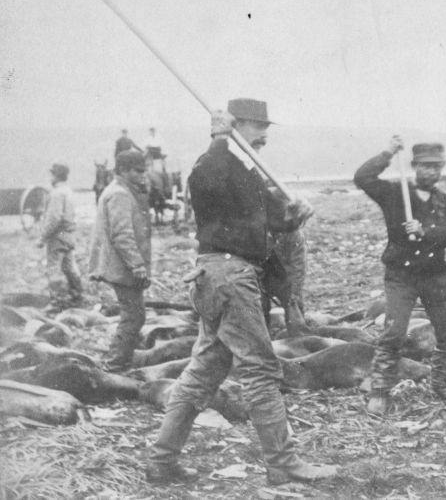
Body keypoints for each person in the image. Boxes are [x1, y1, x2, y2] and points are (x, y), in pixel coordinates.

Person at [146, 98, 337, 485]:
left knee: (205, 370)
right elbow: (204, 186)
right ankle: (282, 463)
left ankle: (162, 461)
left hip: (227, 277)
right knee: (262, 369)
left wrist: (293, 215)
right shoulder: (212, 163)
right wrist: (217, 139)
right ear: (234, 126)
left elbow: (267, 222)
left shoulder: (248, 171)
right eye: (255, 125)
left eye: (265, 125)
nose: (264, 133)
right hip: (229, 277)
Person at [354, 136, 446, 415]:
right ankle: (379, 391)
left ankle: (442, 386)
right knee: (394, 333)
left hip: (434, 277)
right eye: (426, 166)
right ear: (414, 166)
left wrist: (425, 230)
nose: (432, 172)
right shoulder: (394, 193)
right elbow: (362, 177)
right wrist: (388, 151)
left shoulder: (445, 202)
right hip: (400, 277)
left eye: (437, 166)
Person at [89, 150, 151, 372]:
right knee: (134, 316)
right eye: (138, 171)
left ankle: (121, 360)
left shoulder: (120, 191)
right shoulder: (120, 194)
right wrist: (137, 264)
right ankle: (114, 364)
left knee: (134, 315)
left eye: (144, 170)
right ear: (123, 170)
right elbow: (121, 234)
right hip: (122, 266)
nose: (143, 175)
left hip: (120, 265)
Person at [39, 162, 84, 308]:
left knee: (53, 267)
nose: (49, 177)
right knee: (69, 265)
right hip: (69, 234)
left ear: (56, 175)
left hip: (58, 236)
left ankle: (56, 300)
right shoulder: (68, 191)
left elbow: (54, 219)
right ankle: (77, 293)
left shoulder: (56, 193)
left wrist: (43, 237)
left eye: (51, 174)